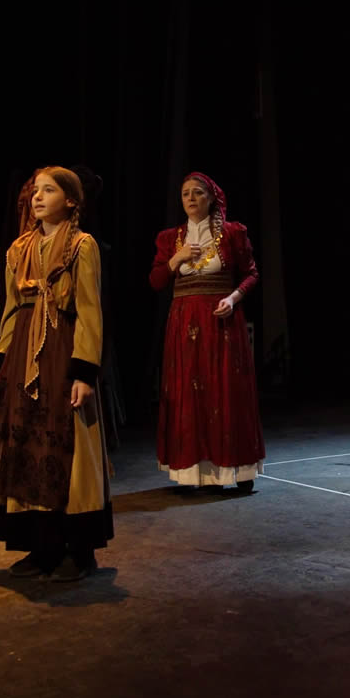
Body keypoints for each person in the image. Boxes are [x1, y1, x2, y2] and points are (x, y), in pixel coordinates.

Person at [0, 166, 112, 581]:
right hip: (22, 353)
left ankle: (79, 551)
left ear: (70, 200)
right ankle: (40, 547)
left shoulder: (82, 245)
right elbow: (11, 311)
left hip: (63, 350)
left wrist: (83, 373)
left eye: (49, 190)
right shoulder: (18, 250)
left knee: (70, 444)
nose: (38, 197)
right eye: (36, 190)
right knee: (25, 444)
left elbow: (89, 311)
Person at [150, 171, 265, 491]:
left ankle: (237, 468)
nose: (190, 198)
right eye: (185, 193)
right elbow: (156, 281)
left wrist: (233, 297)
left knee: (225, 390)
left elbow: (252, 274)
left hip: (221, 323)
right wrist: (177, 258)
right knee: (189, 393)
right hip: (184, 324)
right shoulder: (170, 238)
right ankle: (198, 473)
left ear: (211, 198)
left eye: (197, 192)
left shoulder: (232, 233)